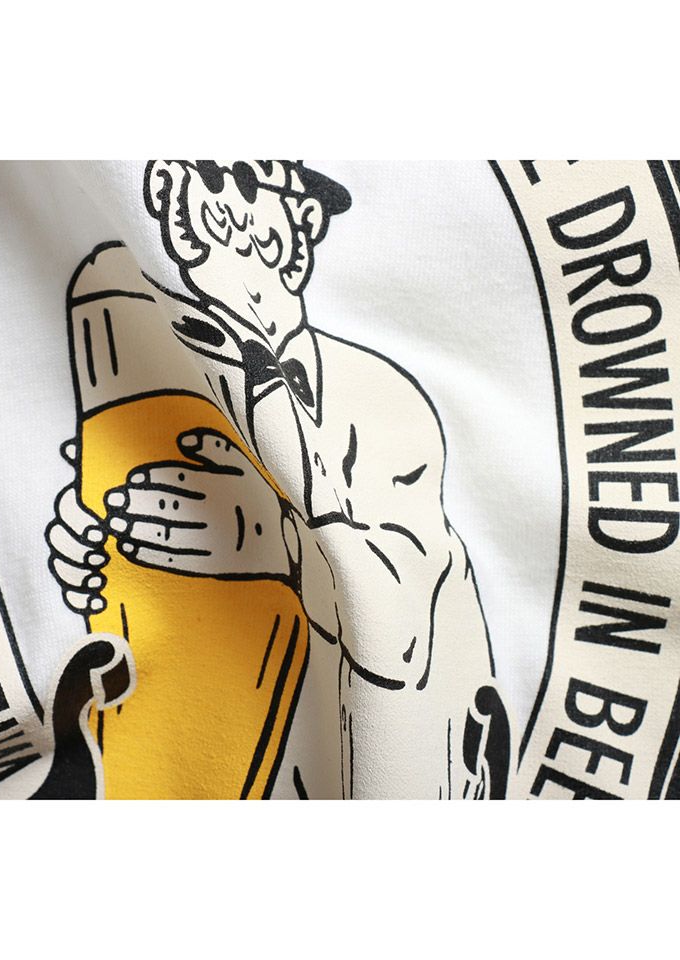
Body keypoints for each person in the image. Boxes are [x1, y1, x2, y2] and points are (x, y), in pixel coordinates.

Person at [47, 160, 510, 798]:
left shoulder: (383, 398)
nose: (205, 198)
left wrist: (275, 541)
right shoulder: (164, 357)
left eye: (239, 179)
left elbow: (401, 634)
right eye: (187, 178)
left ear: (304, 222)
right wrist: (98, 553)